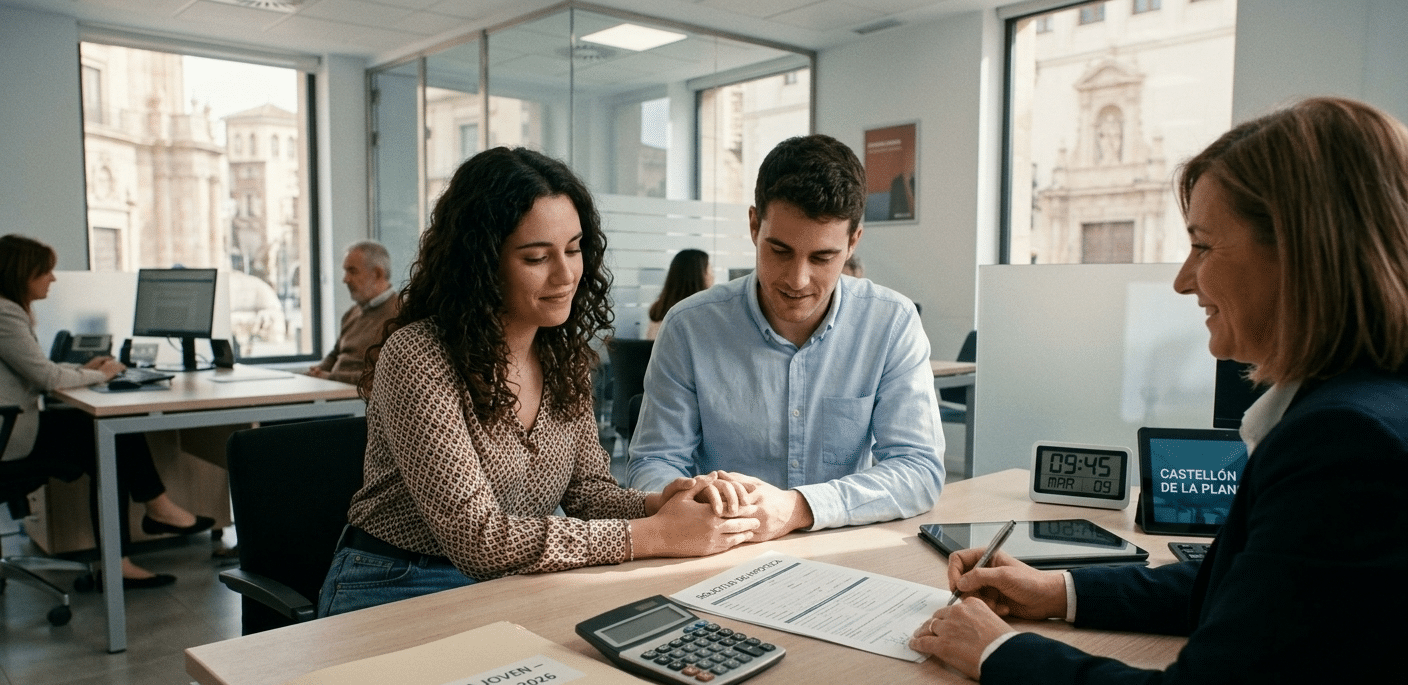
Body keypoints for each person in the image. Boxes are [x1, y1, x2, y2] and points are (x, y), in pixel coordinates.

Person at [909, 97, 1408, 682]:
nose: (1181, 280)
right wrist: (1057, 590)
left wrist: (999, 652)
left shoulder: (1344, 444)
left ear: (1303, 254)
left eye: (1203, 245)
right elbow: (1246, 583)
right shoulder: (1372, 407)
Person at [317, 147, 758, 617]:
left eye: (573, 249)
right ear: (481, 264)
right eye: (536, 257)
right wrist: (653, 534)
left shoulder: (560, 356)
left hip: (511, 584)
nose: (565, 275)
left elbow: (588, 492)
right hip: (397, 583)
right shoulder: (419, 356)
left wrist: (660, 503)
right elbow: (478, 539)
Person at [626, 134, 945, 542]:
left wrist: (798, 508)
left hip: (839, 546)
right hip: (726, 545)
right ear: (754, 226)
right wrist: (687, 496)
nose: (797, 280)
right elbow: (653, 464)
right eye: (779, 250)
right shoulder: (689, 327)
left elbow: (918, 468)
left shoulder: (891, 323)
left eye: (822, 257)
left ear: (853, 242)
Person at [0, 234, 215, 589]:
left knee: (104, 430)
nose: (52, 278)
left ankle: (151, 518)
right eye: (45, 271)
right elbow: (46, 378)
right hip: (10, 438)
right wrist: (104, 374)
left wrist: (82, 368)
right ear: (22, 274)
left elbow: (36, 370)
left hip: (11, 427)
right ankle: (140, 534)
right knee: (109, 435)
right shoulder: (5, 313)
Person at [307, 240, 401, 384]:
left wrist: (331, 377)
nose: (345, 279)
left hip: (357, 395)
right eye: (345, 271)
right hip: (334, 389)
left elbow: (387, 377)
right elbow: (335, 355)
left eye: (352, 271)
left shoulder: (400, 314)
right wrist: (316, 372)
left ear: (377, 273)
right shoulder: (352, 313)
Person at [644, 248, 712, 340]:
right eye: (709, 271)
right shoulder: (699, 315)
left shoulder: (659, 310)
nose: (713, 276)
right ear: (698, 276)